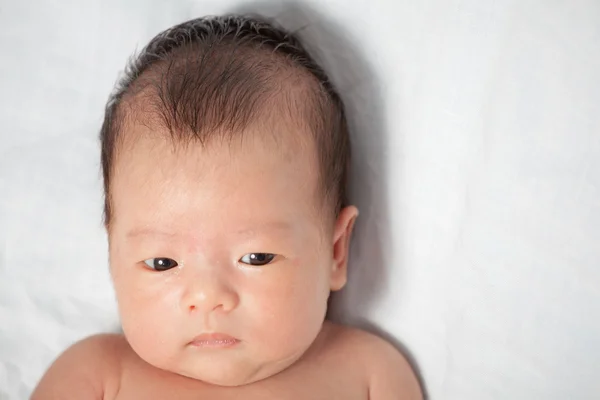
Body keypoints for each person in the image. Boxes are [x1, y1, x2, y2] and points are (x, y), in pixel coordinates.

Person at [32, 14, 422, 399]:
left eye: (256, 256)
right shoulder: (95, 374)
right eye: (162, 263)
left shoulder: (368, 371)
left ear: (336, 251)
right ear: (113, 258)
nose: (207, 295)